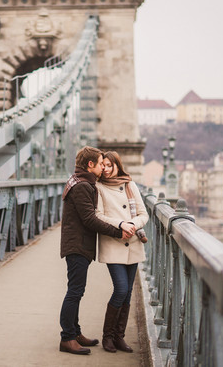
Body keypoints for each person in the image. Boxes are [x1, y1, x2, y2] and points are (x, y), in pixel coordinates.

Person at [59, 146, 132, 355]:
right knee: (74, 291)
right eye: (101, 164)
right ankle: (67, 338)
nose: (103, 168)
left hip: (78, 244)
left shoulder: (80, 181)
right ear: (90, 165)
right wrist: (119, 231)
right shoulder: (83, 186)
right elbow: (90, 219)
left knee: (76, 290)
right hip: (77, 246)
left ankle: (75, 331)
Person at [96, 150, 149, 353]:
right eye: (104, 166)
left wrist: (132, 225)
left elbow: (144, 214)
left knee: (127, 293)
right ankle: (107, 337)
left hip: (133, 242)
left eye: (110, 165)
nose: (107, 169)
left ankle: (119, 337)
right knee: (120, 289)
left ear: (117, 165)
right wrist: (121, 225)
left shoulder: (129, 184)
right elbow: (98, 215)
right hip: (114, 244)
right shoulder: (99, 187)